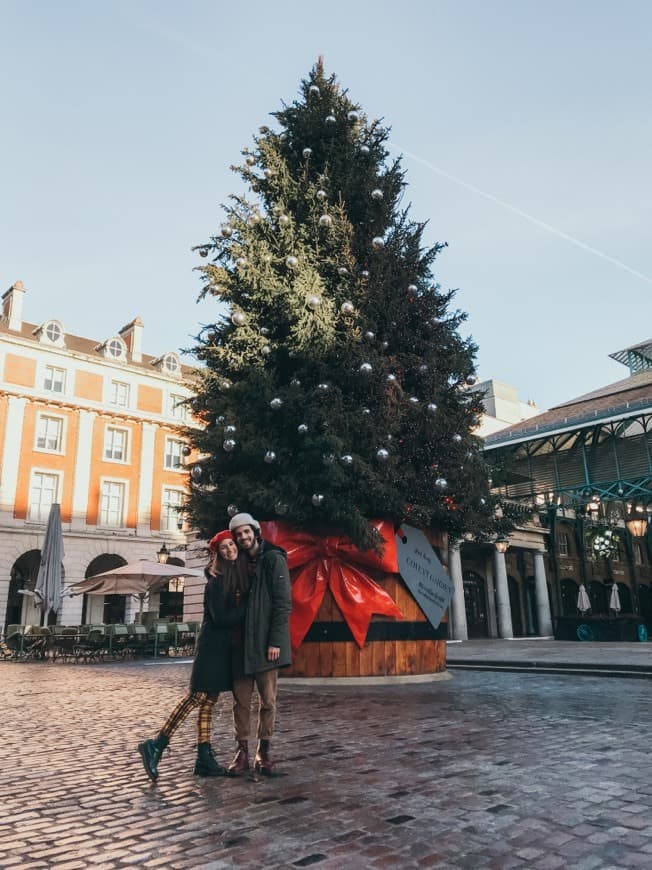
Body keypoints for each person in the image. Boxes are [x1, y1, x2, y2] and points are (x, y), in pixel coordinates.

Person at [137, 530, 248, 782]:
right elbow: (221, 618)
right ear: (218, 554)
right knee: (197, 696)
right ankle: (156, 744)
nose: (230, 549)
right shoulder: (217, 580)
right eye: (224, 547)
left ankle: (204, 758)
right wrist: (246, 609)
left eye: (232, 545)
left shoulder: (230, 575)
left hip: (223, 647)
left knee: (209, 701)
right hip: (212, 646)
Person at [226, 512, 292, 776]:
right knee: (240, 702)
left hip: (267, 644)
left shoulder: (273, 559)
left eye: (246, 532)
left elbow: (283, 603)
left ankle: (263, 750)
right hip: (241, 645)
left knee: (268, 701)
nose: (243, 537)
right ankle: (242, 751)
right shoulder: (236, 563)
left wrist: (275, 640)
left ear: (255, 531)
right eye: (238, 534)